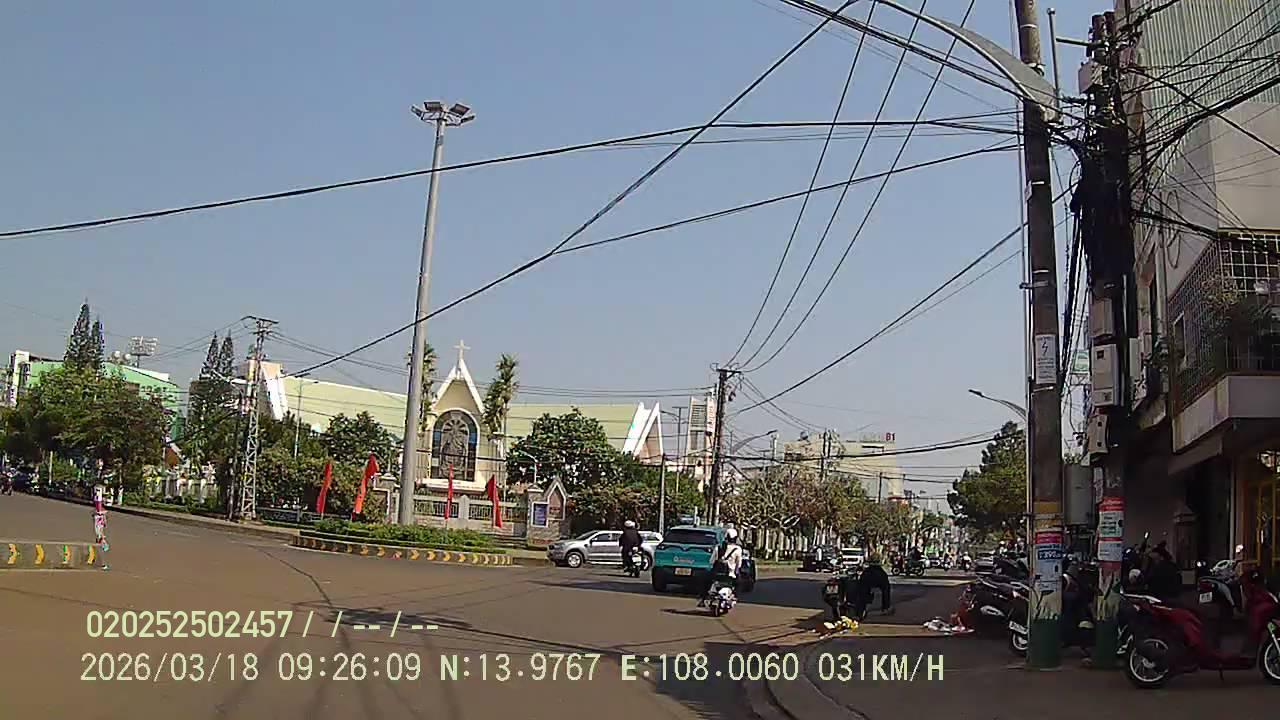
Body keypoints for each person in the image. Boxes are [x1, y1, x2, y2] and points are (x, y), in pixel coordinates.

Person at [700, 529, 744, 606]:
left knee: (705, 582)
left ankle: (703, 599)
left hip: (716, 574)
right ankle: (735, 597)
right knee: (739, 583)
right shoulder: (738, 549)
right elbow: (739, 564)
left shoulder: (718, 547)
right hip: (730, 575)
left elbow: (711, 561)